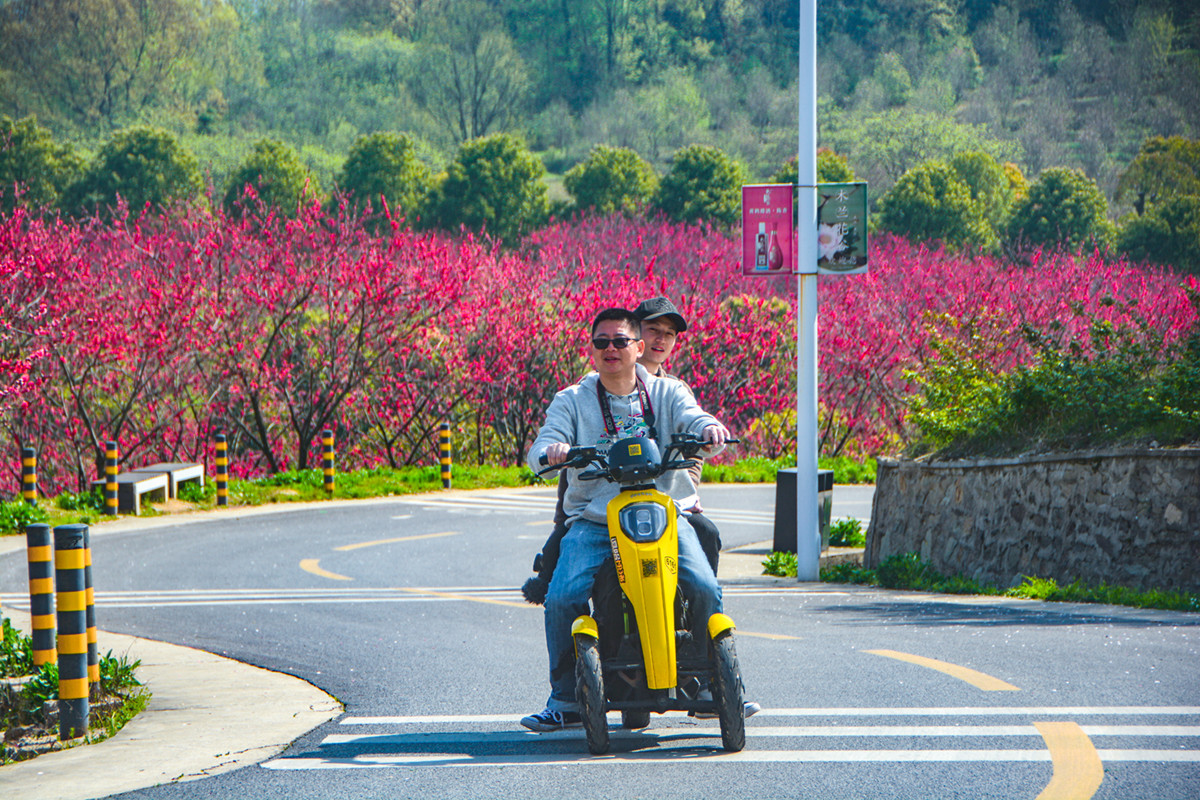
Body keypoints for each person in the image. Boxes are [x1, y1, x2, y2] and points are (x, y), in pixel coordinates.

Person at [520, 307, 729, 732]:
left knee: (705, 586)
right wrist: (554, 452)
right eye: (601, 342)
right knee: (562, 596)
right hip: (596, 521)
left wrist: (709, 429)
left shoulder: (667, 392)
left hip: (667, 513)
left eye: (620, 341)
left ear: (638, 347)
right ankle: (565, 699)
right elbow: (541, 448)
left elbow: (695, 417)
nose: (610, 349)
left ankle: (710, 686)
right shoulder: (572, 400)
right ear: (592, 349)